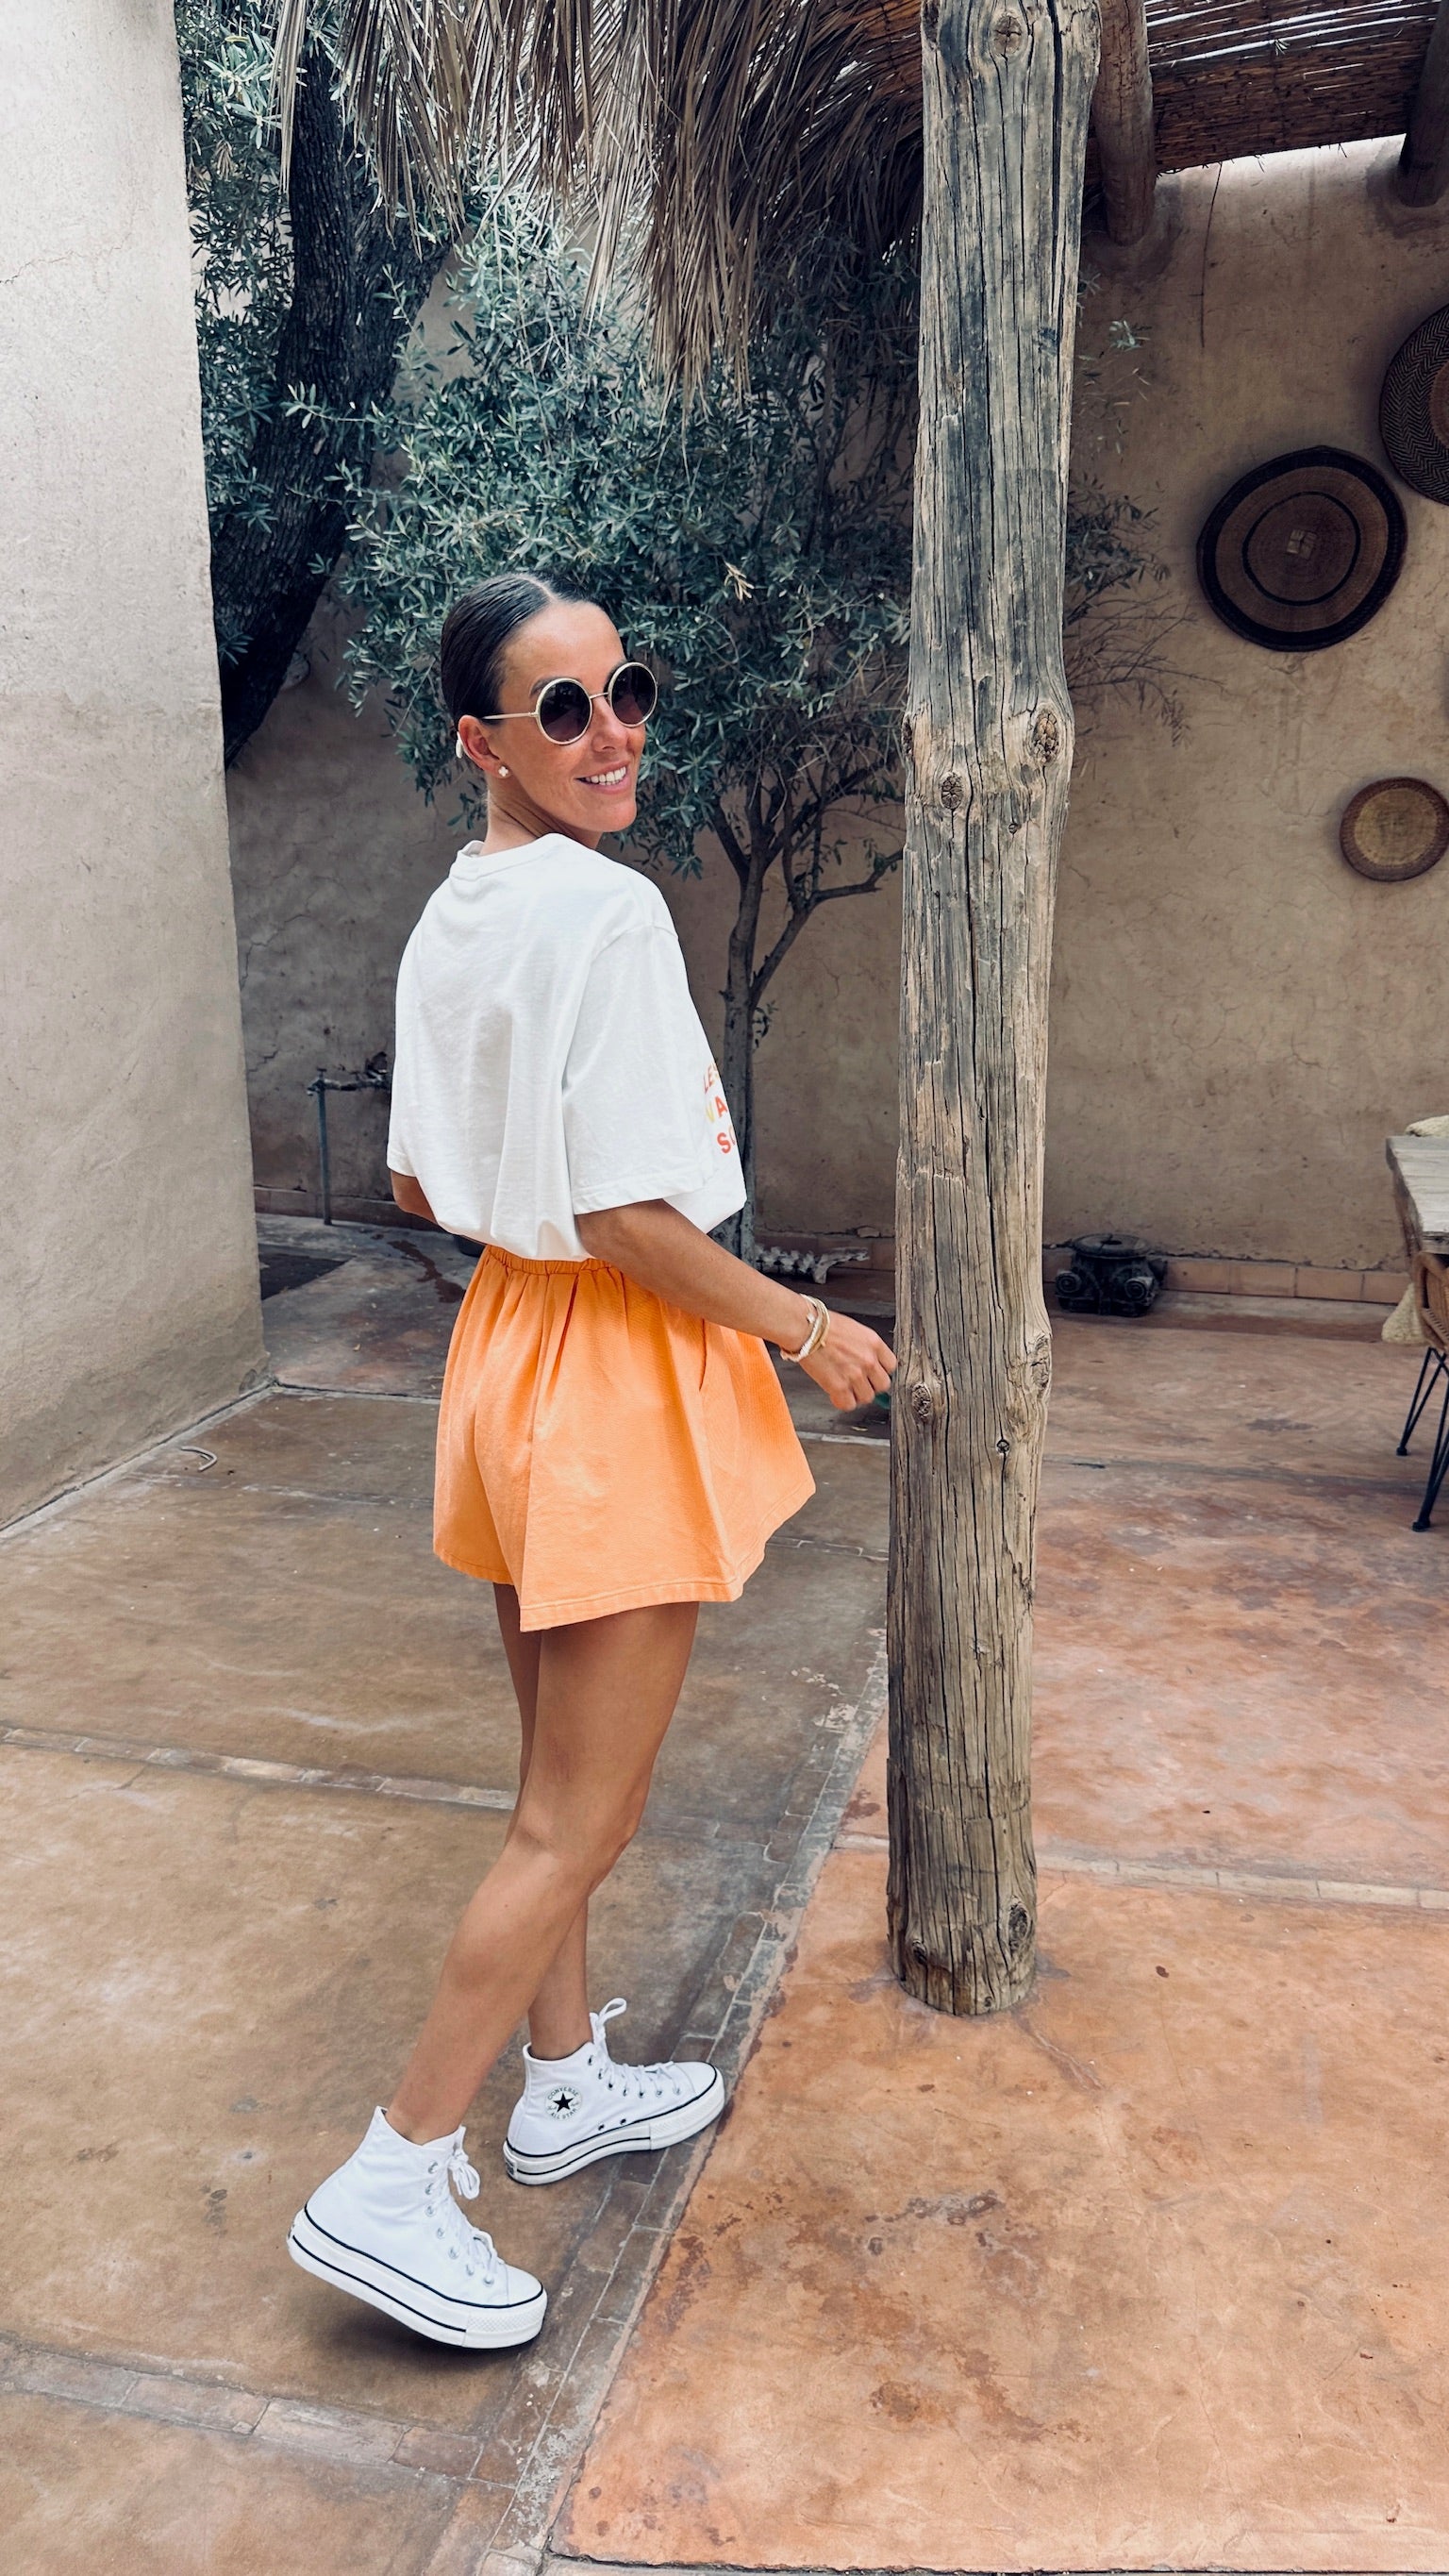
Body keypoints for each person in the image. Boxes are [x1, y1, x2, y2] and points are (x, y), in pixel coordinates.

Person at [288, 571, 895, 2350]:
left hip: (506, 1349)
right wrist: (804, 1329)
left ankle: (562, 2080)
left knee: (549, 1784)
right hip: (614, 1366)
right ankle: (393, 2173)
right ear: (481, 740)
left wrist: (539, 1219)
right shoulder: (610, 914)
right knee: (586, 1813)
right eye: (562, 708)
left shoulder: (456, 911)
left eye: (627, 689)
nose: (613, 730)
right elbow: (634, 1212)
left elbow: (419, 1180)